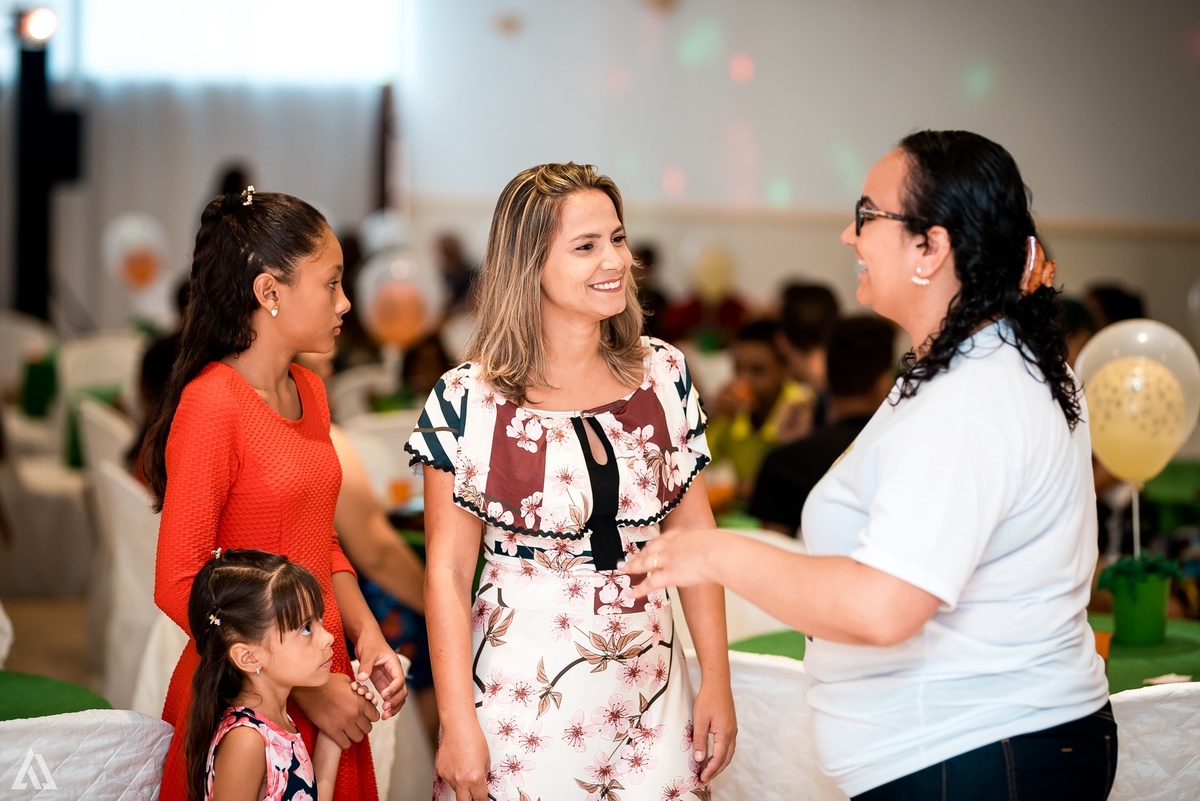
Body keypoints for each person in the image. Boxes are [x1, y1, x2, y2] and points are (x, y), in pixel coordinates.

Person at [626, 131, 1115, 800]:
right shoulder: (978, 363)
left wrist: (714, 554)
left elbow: (883, 606)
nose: (847, 236)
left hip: (975, 752)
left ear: (930, 247)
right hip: (980, 743)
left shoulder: (972, 396)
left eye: (866, 216)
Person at [406, 162, 736, 801]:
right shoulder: (467, 399)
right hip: (520, 683)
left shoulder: (664, 373)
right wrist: (455, 720)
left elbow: (695, 533)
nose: (614, 259)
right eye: (586, 246)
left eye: (617, 238)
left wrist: (716, 678)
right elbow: (446, 572)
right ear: (529, 263)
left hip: (653, 675)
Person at [143, 187, 406, 801]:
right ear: (269, 292)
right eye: (332, 284)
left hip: (316, 664)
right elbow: (177, 581)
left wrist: (367, 636)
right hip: (255, 693)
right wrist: (307, 688)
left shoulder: (309, 391)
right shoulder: (213, 404)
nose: (346, 303)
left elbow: (321, 540)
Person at [187, 548, 368, 801]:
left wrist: (334, 731)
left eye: (319, 620)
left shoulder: (277, 722)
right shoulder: (247, 740)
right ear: (249, 657)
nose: (328, 637)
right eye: (306, 629)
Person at [749, 315, 896, 537]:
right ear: (884, 380)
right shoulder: (897, 455)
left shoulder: (782, 464)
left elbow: (772, 547)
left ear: (825, 373)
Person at [706, 318, 812, 501]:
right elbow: (704, 464)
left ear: (785, 369)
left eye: (757, 371)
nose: (743, 381)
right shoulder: (732, 409)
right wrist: (711, 419)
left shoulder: (801, 407)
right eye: (738, 369)